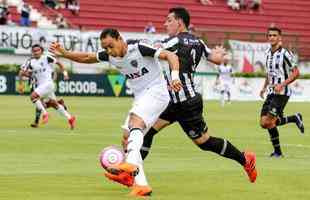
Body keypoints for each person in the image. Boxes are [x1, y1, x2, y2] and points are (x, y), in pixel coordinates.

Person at [122, 7, 257, 186]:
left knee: (204, 141)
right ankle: (130, 173)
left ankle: (245, 159)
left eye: (169, 20)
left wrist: (128, 42)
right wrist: (220, 53)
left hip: (186, 103)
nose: (165, 23)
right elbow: (215, 59)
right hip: (173, 100)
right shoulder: (198, 41)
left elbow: (150, 48)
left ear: (180, 22)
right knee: (146, 131)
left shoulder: (173, 42)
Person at [49, 28, 182, 197]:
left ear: (120, 39)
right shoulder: (110, 55)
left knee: (135, 122)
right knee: (127, 138)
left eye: (111, 46)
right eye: (106, 48)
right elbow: (87, 57)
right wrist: (65, 53)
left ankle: (130, 165)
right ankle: (141, 185)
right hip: (141, 96)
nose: (109, 51)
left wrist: (175, 77)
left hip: (157, 92)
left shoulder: (139, 48)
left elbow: (171, 56)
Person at [259, 26, 304, 158]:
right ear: (267, 37)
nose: (272, 37)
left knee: (268, 122)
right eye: (270, 35)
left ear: (279, 38)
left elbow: (296, 73)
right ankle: (294, 118)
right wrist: (263, 87)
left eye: (274, 35)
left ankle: (278, 152)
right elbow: (269, 73)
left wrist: (282, 84)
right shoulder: (267, 52)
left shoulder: (285, 54)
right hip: (271, 92)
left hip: (282, 93)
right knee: (263, 123)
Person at [18, 44, 75, 129]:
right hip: (41, 86)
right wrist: (21, 84)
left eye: (38, 50)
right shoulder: (30, 62)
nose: (36, 52)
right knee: (53, 104)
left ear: (41, 51)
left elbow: (60, 64)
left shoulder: (46, 58)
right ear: (32, 52)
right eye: (34, 51)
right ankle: (70, 118)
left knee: (33, 97)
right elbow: (21, 72)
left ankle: (45, 114)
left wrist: (65, 74)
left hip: (48, 84)